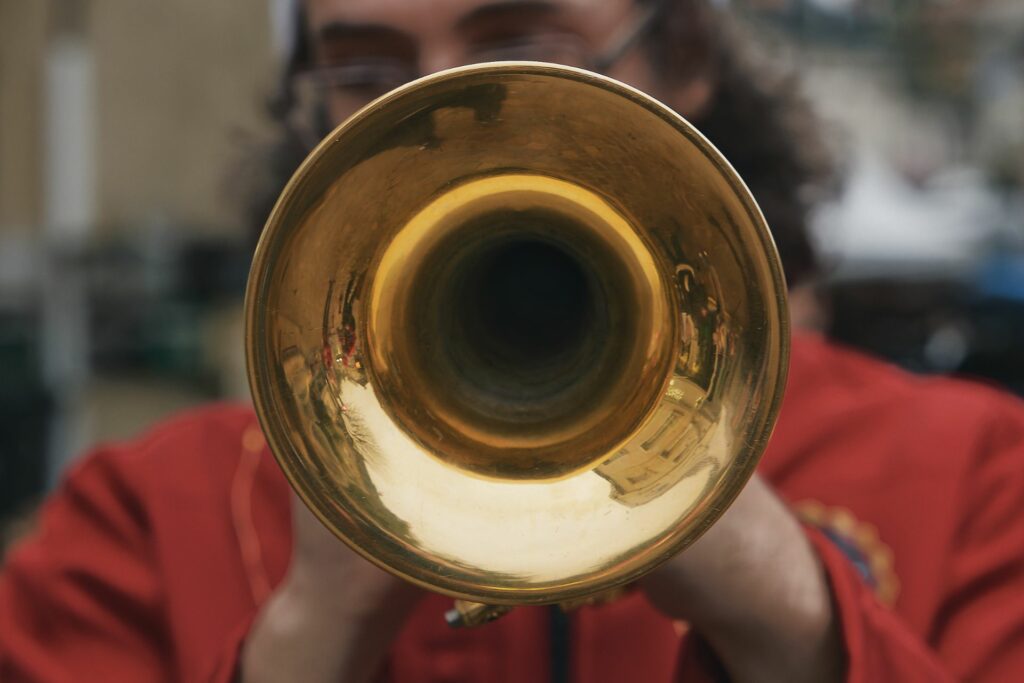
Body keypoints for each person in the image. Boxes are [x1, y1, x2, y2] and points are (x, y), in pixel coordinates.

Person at [2, 1, 1024, 681]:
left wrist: (795, 618)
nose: (442, 113)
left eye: (522, 42)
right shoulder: (135, 517)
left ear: (684, 60)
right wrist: (306, 634)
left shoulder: (980, 472)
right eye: (364, 67)